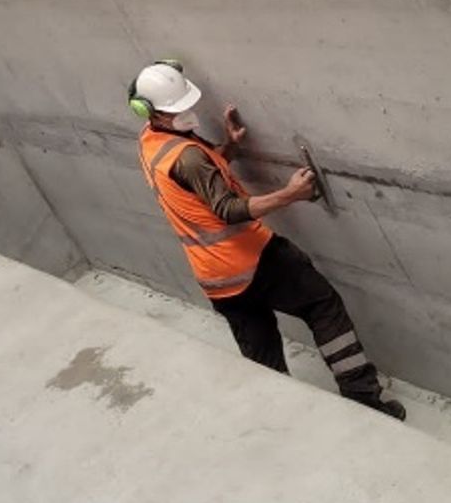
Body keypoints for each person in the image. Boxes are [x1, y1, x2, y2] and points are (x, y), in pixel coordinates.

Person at [128, 60, 406, 421]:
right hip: (253, 260)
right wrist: (291, 194)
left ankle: (281, 422)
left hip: (217, 281)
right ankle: (364, 397)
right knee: (322, 304)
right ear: (149, 111)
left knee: (264, 364)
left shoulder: (152, 143)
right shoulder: (188, 156)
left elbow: (199, 180)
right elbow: (227, 209)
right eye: (175, 110)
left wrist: (230, 146)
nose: (185, 114)